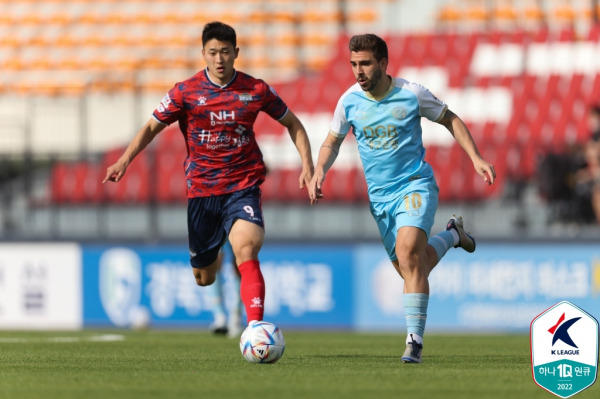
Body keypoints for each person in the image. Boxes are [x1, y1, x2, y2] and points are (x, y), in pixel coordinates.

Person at [103, 21, 314, 329]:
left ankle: (255, 328)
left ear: (236, 53)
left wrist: (307, 163)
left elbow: (293, 124)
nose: (219, 59)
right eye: (213, 52)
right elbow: (151, 127)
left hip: (243, 185)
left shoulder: (255, 89)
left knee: (246, 249)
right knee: (204, 277)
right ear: (203, 53)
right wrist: (124, 160)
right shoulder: (185, 92)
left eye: (225, 52)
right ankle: (215, 274)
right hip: (202, 192)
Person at [308, 34, 496, 364]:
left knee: (409, 253)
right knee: (414, 265)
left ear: (383, 63)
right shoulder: (349, 101)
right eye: (353, 64)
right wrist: (320, 169)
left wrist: (476, 158)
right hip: (380, 201)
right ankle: (453, 234)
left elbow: (450, 118)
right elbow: (331, 141)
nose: (358, 71)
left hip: (414, 185)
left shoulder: (411, 94)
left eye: (365, 63)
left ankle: (414, 342)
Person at [206, 240, 244, 338]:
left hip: (235, 224)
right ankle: (219, 317)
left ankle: (236, 316)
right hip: (215, 224)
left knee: (240, 261)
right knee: (214, 261)